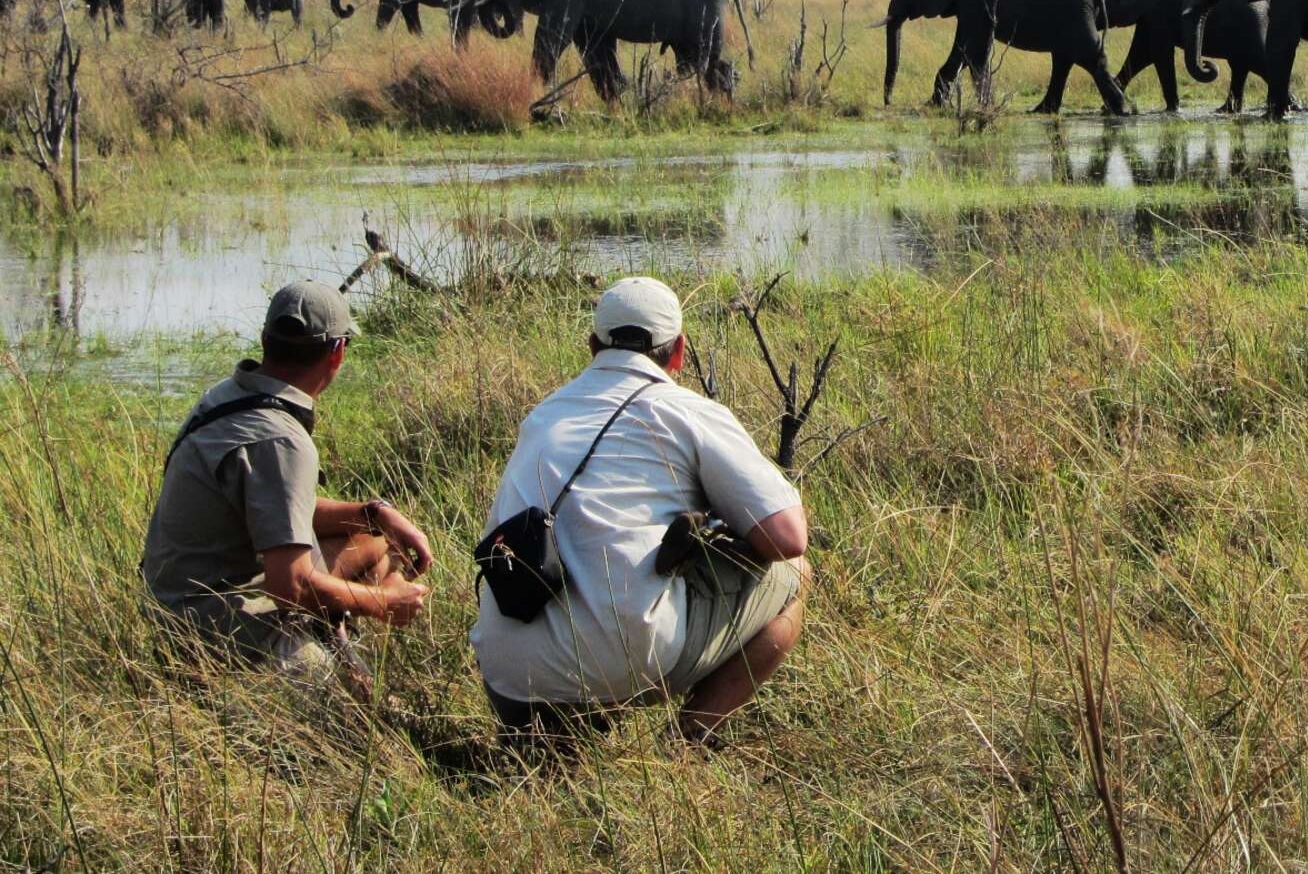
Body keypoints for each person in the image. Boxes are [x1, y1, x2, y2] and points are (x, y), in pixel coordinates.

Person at [471, 276, 809, 746]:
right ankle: (688, 742)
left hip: (506, 674)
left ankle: (558, 736)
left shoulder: (543, 415)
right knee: (795, 572)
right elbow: (786, 536)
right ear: (679, 353)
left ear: (592, 345)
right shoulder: (687, 411)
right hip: (620, 664)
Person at [141, 281, 432, 683]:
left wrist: (373, 515)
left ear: (265, 340)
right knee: (346, 706)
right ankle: (335, 671)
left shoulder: (229, 395)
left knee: (376, 543)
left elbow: (277, 508)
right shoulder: (280, 438)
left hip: (175, 600)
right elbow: (289, 586)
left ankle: (338, 637)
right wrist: (383, 601)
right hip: (204, 623)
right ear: (337, 353)